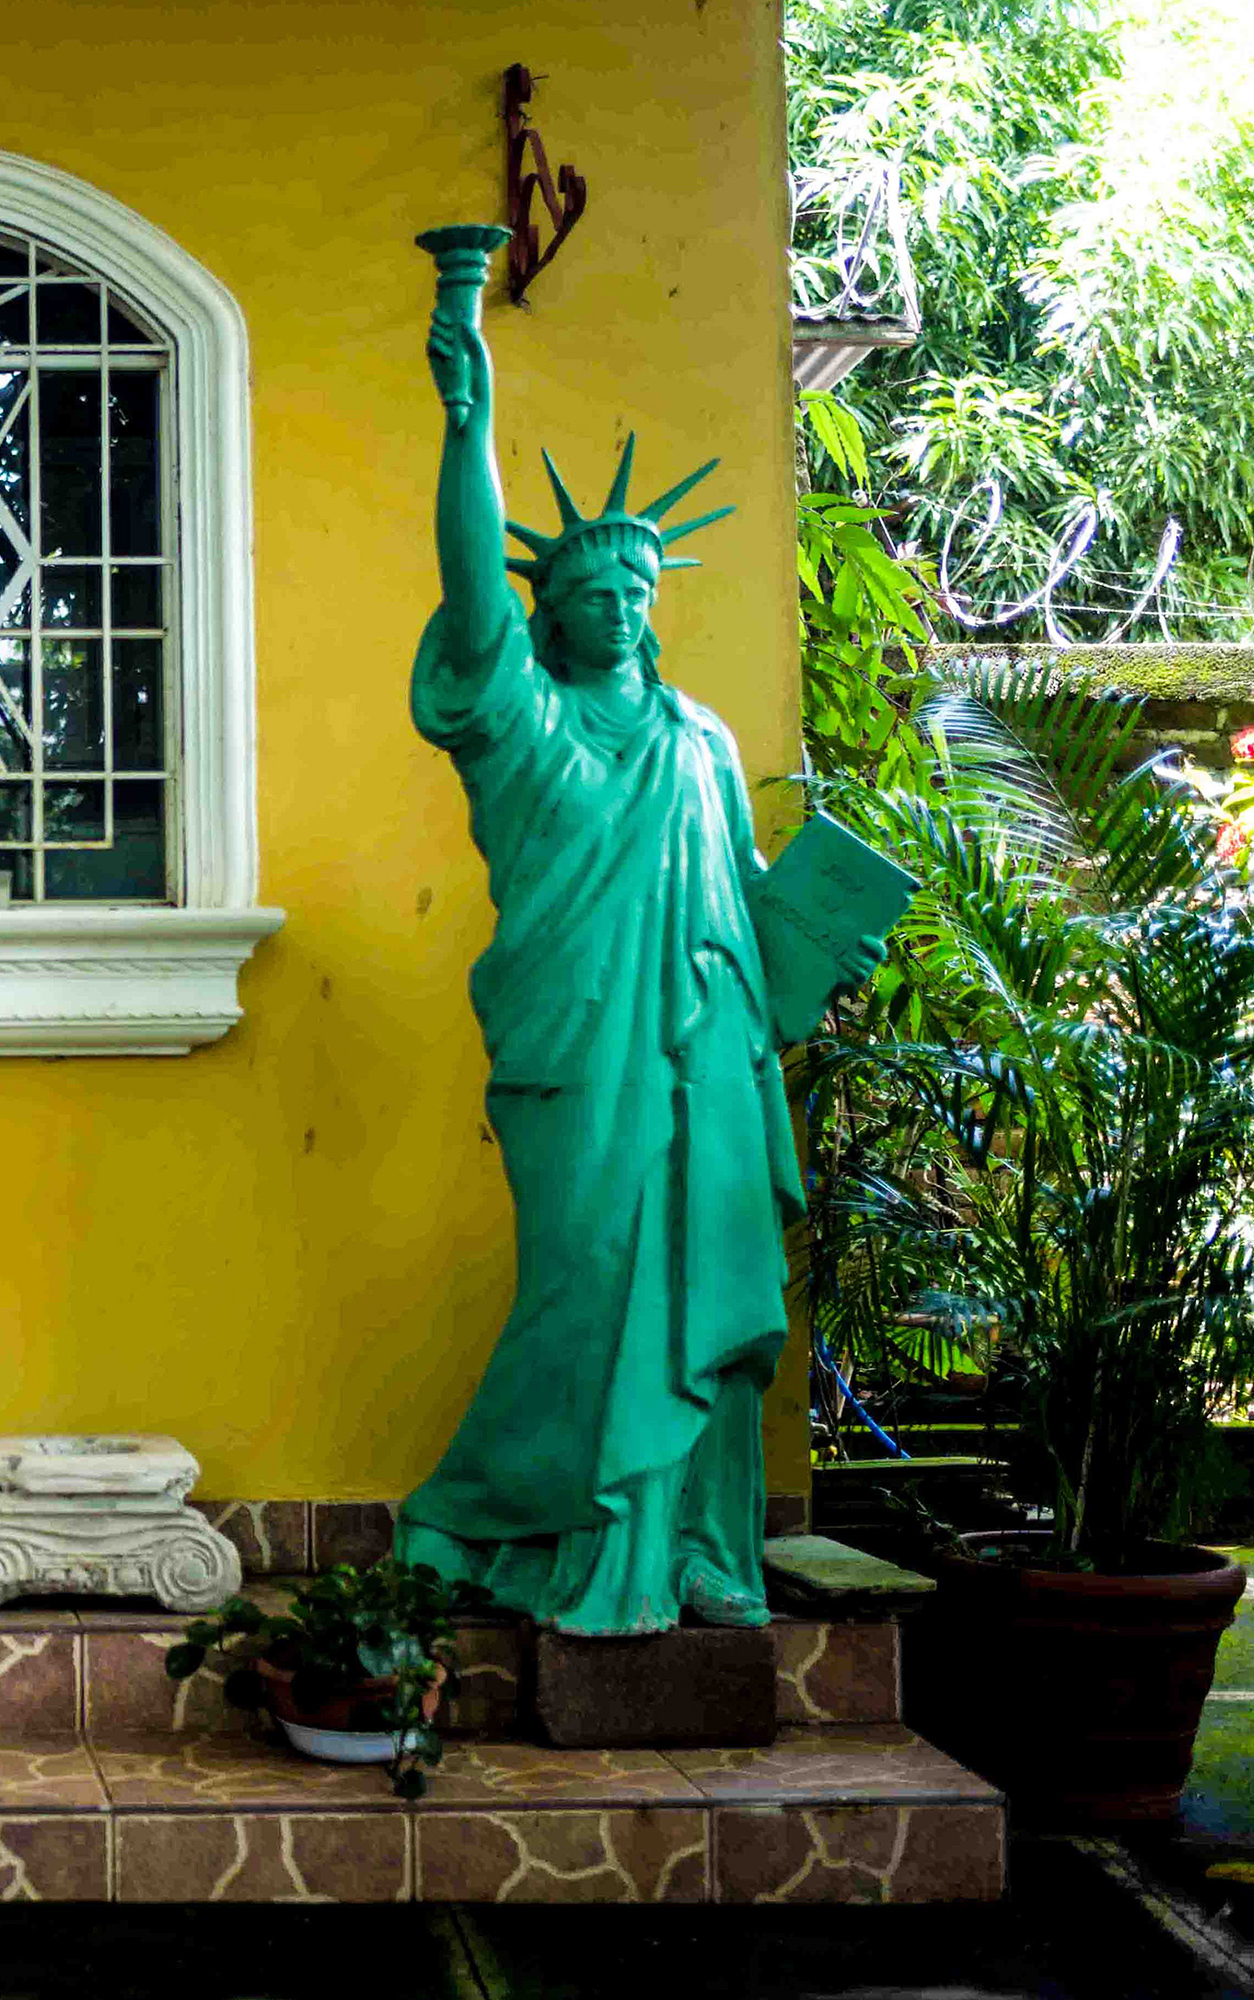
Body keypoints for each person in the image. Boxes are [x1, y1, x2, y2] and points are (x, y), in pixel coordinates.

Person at [390, 271, 870, 1636]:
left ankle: (698, 1547)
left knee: (705, 1290)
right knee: (585, 1286)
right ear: (554, 611)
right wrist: (465, 413)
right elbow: (472, 593)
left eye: (636, 584)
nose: (616, 604)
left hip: (708, 1046)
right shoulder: (522, 727)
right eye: (591, 586)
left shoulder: (703, 742)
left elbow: (747, 892)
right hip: (575, 1040)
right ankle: (482, 1514)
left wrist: (823, 942)